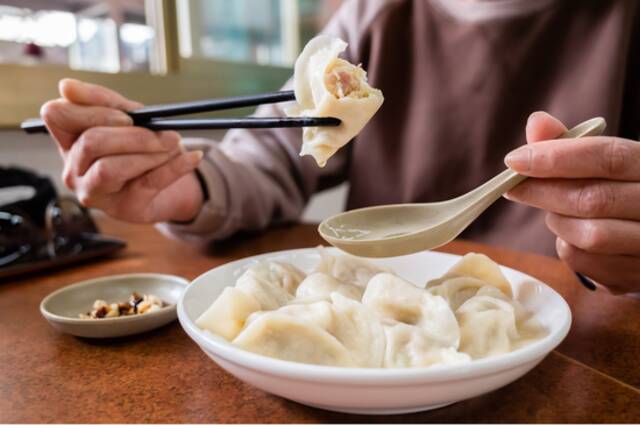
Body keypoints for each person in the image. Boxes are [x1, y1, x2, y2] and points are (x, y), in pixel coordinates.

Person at [39, 0, 639, 294]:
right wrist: (188, 187)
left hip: (583, 321)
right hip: (383, 295)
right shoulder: (374, 14)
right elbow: (273, 148)